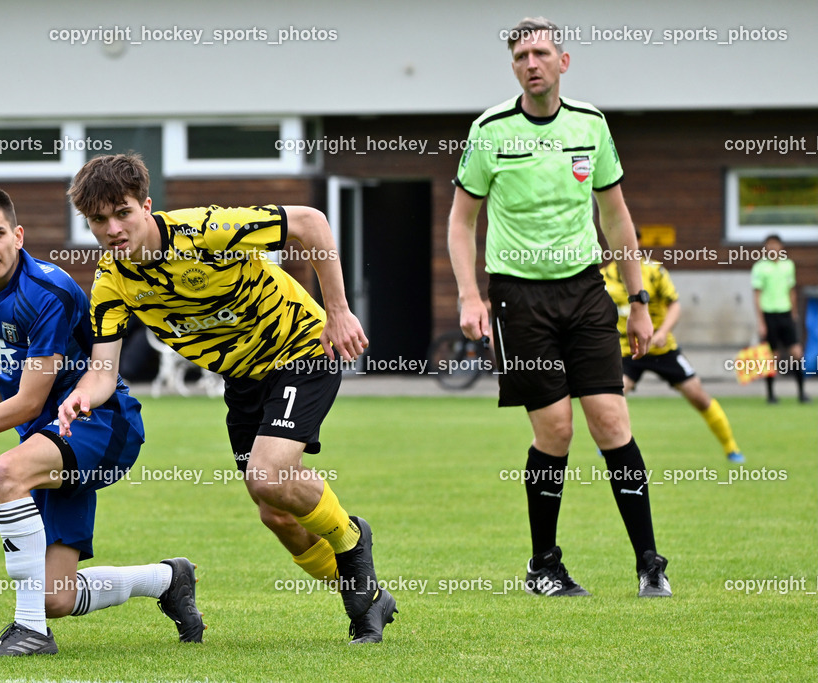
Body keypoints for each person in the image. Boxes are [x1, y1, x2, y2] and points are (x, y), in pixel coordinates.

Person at [57, 153, 398, 643]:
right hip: (243, 380)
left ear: (146, 206)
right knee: (275, 510)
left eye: (123, 212)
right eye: (98, 220)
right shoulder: (112, 283)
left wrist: (338, 311)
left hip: (301, 348)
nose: (113, 228)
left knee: (267, 474)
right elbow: (102, 372)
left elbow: (312, 223)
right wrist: (80, 399)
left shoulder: (206, 231)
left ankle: (351, 541)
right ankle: (367, 593)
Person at [0, 186, 203, 657]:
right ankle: (168, 579)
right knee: (55, 597)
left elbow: (28, 399)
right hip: (49, 434)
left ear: (18, 235)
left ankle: (28, 632)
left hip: (99, 423)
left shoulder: (48, 291)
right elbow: (4, 361)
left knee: (9, 471)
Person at [447, 17, 670, 598]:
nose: (531, 63)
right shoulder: (490, 130)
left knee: (613, 423)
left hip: (586, 290)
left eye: (541, 53)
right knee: (557, 431)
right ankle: (543, 565)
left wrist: (639, 301)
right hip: (518, 297)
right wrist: (470, 295)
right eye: (521, 56)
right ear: (514, 66)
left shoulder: (591, 125)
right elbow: (461, 221)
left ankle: (650, 563)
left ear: (563, 62)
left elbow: (617, 218)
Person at [601, 235, 745, 463]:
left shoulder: (653, 271)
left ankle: (731, 447)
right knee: (613, 396)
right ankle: (612, 443)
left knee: (698, 396)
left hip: (662, 349)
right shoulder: (603, 277)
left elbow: (675, 305)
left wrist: (661, 333)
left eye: (631, 244)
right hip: (627, 351)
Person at [751, 234, 810, 404]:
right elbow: (757, 295)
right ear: (765, 248)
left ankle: (801, 393)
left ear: (781, 247)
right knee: (772, 356)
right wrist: (761, 321)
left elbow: (791, 290)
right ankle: (770, 395)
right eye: (769, 245)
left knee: (796, 353)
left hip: (785, 313)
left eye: (775, 245)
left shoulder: (788, 266)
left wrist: (794, 313)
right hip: (769, 314)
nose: (773, 248)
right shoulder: (760, 268)